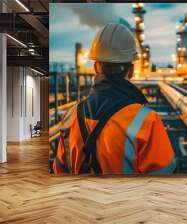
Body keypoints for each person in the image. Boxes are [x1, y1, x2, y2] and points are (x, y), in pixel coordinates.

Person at [52, 23, 176, 175]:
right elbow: (163, 183)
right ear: (130, 71)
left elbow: (59, 172)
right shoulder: (147, 121)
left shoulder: (70, 117)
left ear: (96, 68)